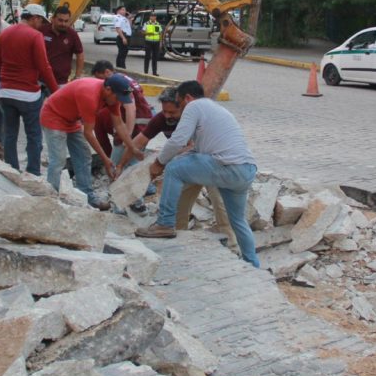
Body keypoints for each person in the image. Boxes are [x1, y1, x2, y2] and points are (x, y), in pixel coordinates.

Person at [136, 80, 259, 268]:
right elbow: (198, 150)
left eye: (180, 103)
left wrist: (159, 163)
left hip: (227, 166)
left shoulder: (194, 106)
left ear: (187, 98)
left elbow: (178, 140)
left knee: (174, 168)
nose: (180, 109)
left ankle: (165, 223)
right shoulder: (214, 109)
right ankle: (253, 264)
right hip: (245, 170)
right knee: (238, 221)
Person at [117, 86, 235, 235]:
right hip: (190, 166)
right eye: (165, 111)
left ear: (184, 107)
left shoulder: (196, 118)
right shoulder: (161, 119)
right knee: (178, 198)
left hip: (213, 161)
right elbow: (138, 143)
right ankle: (179, 234)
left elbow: (188, 146)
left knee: (219, 198)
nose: (167, 116)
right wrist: (121, 165)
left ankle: (230, 238)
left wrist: (161, 160)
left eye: (172, 112)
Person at [40, 76, 140, 210]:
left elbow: (119, 124)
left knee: (84, 156)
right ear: (108, 90)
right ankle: (51, 200)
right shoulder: (89, 95)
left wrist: (133, 148)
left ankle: (85, 194)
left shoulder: (113, 97)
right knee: (58, 159)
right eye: (118, 98)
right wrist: (105, 159)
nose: (119, 102)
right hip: (53, 116)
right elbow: (88, 133)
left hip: (71, 119)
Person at [0, 9, 59, 174]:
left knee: (10, 134)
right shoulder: (34, 36)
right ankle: (33, 173)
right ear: (35, 18)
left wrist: (3, 84)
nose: (42, 26)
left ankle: (11, 170)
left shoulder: (4, 34)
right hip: (28, 93)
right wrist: (55, 91)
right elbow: (43, 66)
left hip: (6, 92)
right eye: (42, 21)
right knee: (34, 135)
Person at [89, 60, 152, 158]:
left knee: (119, 162)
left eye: (101, 79)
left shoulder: (121, 84)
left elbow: (131, 108)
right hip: (143, 121)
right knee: (131, 160)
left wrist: (127, 136)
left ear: (107, 72)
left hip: (136, 124)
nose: (102, 83)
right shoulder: (124, 78)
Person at [42, 5, 84, 85]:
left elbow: (80, 55)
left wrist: (77, 76)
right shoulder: (42, 31)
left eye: (66, 21)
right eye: (60, 20)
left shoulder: (72, 34)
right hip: (41, 81)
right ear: (53, 19)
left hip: (61, 82)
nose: (63, 24)